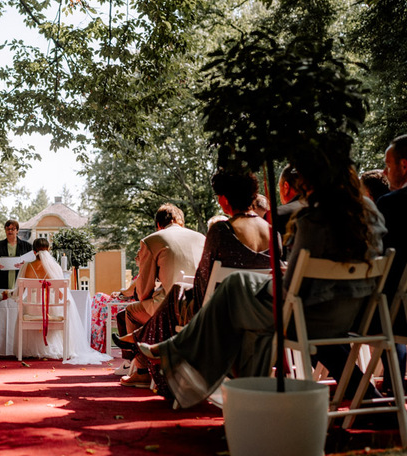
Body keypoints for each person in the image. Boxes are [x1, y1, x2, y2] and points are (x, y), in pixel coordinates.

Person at [137, 160, 388, 409]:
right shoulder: (370, 211)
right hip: (355, 314)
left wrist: (273, 282)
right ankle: (242, 398)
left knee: (236, 289)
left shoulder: (313, 218)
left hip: (308, 317)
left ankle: (185, 358)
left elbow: (291, 289)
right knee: (242, 300)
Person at [113, 170, 273, 391]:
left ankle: (146, 345)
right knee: (178, 292)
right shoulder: (272, 232)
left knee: (178, 291)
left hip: (219, 314)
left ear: (224, 200)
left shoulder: (222, 230)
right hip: (262, 312)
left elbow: (204, 281)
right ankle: (147, 341)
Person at [113, 204, 206, 367]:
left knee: (130, 312)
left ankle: (138, 368)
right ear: (181, 222)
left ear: (158, 225)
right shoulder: (202, 238)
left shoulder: (152, 240)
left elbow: (142, 292)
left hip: (171, 309)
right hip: (202, 307)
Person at [13, 237, 112, 365]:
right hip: (50, 309)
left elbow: (19, 291)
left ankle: (32, 350)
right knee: (64, 307)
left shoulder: (26, 266)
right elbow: (60, 295)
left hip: (31, 308)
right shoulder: (55, 267)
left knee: (26, 306)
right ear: (48, 250)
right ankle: (62, 348)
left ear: (33, 252)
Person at [376, 134, 407, 394]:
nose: (385, 171)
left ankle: (373, 389)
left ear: (404, 166)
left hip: (397, 316)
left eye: (388, 164)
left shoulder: (391, 204)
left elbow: (379, 256)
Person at [0, 219, 33, 290]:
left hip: (21, 283)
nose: (10, 231)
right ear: (5, 230)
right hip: (0, 283)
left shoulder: (27, 246)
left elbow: (33, 264)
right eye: (8, 229)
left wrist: (24, 265)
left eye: (12, 229)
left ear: (17, 230)